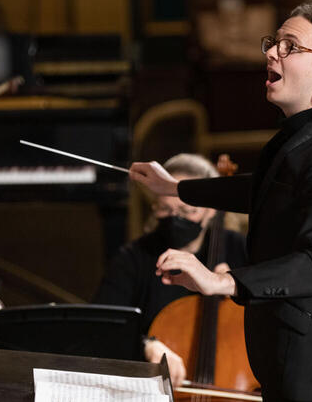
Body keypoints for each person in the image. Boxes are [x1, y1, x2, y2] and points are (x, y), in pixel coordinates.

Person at [130, 3, 312, 401]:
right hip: (288, 361)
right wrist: (175, 189)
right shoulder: (300, 139)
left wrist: (221, 281)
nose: (271, 53)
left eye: (290, 46)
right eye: (273, 43)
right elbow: (264, 190)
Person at [93, 153, 247, 387]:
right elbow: (101, 330)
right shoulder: (133, 258)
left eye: (186, 211)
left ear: (212, 210)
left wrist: (238, 288)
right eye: (164, 209)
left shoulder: (241, 251)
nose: (175, 218)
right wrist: (146, 345)